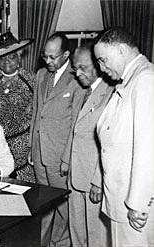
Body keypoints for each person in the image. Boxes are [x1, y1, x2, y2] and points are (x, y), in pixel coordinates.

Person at [94, 27, 154, 247]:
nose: (101, 68)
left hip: (135, 207)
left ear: (120, 50)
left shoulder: (146, 80)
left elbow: (148, 148)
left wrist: (138, 204)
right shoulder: (131, 80)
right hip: (122, 198)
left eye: (103, 59)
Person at [29, 32, 83, 247]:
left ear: (66, 54)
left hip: (60, 157)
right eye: (45, 56)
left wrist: (68, 158)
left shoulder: (77, 78)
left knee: (64, 208)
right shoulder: (41, 74)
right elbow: (36, 113)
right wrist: (33, 149)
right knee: (44, 206)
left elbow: (76, 125)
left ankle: (60, 244)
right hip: (40, 154)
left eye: (53, 57)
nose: (48, 61)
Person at [61, 43, 113, 247]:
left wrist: (98, 181)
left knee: (96, 237)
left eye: (83, 68)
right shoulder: (84, 91)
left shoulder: (109, 94)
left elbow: (109, 144)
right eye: (76, 68)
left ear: (98, 66)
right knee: (77, 234)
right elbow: (75, 130)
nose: (77, 73)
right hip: (76, 175)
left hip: (93, 179)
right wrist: (67, 161)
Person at [0, 31, 36, 183]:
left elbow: (38, 114)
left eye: (11, 56)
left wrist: (33, 145)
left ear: (19, 58)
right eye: (2, 57)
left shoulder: (31, 80)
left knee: (24, 189)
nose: (6, 61)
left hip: (22, 146)